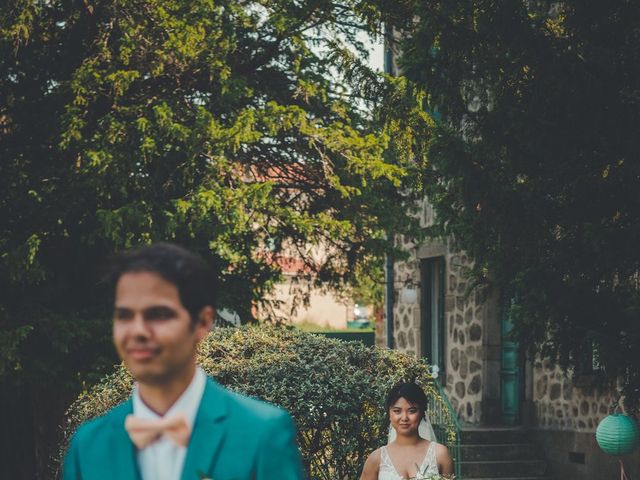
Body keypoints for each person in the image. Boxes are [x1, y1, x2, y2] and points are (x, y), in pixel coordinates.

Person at [63, 243, 304, 480]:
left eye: (158, 314)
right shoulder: (88, 446)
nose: (137, 331)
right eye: (124, 316)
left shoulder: (261, 433)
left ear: (202, 322)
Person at [360, 382, 454, 479]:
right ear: (389, 414)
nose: (404, 418)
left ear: (422, 413)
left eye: (412, 411)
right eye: (397, 411)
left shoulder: (440, 454)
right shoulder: (376, 459)